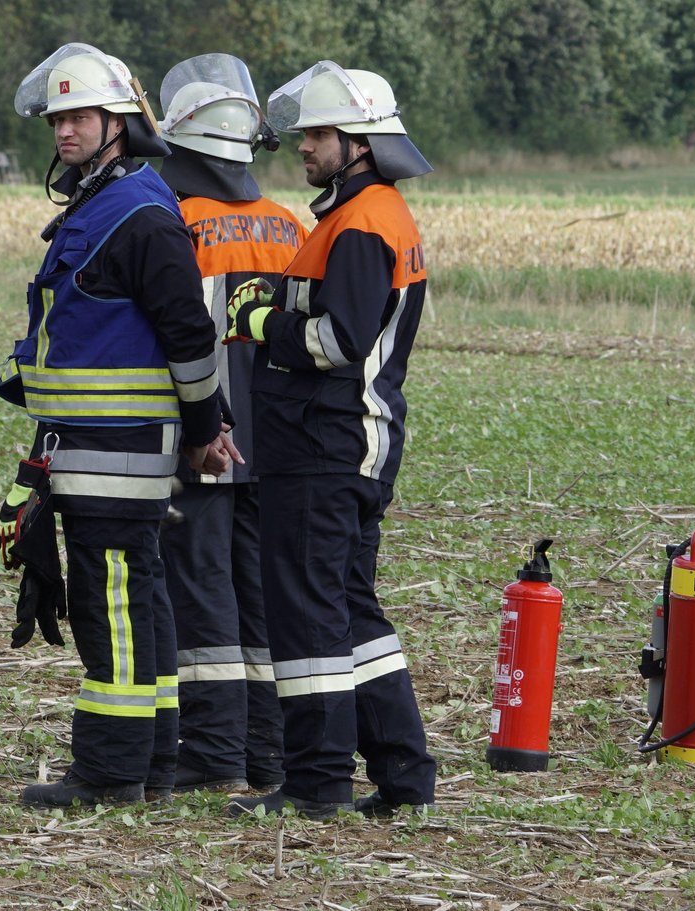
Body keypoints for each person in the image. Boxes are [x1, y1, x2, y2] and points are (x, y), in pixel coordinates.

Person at [0, 43, 238, 808]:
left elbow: (190, 340)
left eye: (79, 116)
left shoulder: (140, 215)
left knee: (112, 610)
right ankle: (155, 763)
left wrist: (204, 429)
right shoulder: (105, 203)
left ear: (120, 124)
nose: (63, 130)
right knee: (141, 602)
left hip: (119, 453)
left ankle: (111, 771)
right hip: (88, 446)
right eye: (58, 117)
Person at [221, 61, 438, 821]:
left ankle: (316, 782)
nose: (304, 146)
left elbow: (340, 338)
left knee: (310, 617)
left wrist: (258, 324)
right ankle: (404, 774)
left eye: (318, 134)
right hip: (349, 445)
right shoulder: (366, 216)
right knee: (349, 611)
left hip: (324, 446)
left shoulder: (361, 223)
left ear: (361, 143)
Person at [152, 55, 306, 794]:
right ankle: (267, 750)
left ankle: (212, 750)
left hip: (203, 441)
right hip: (273, 444)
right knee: (260, 595)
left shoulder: (176, 222)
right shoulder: (286, 223)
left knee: (202, 592)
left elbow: (178, 339)